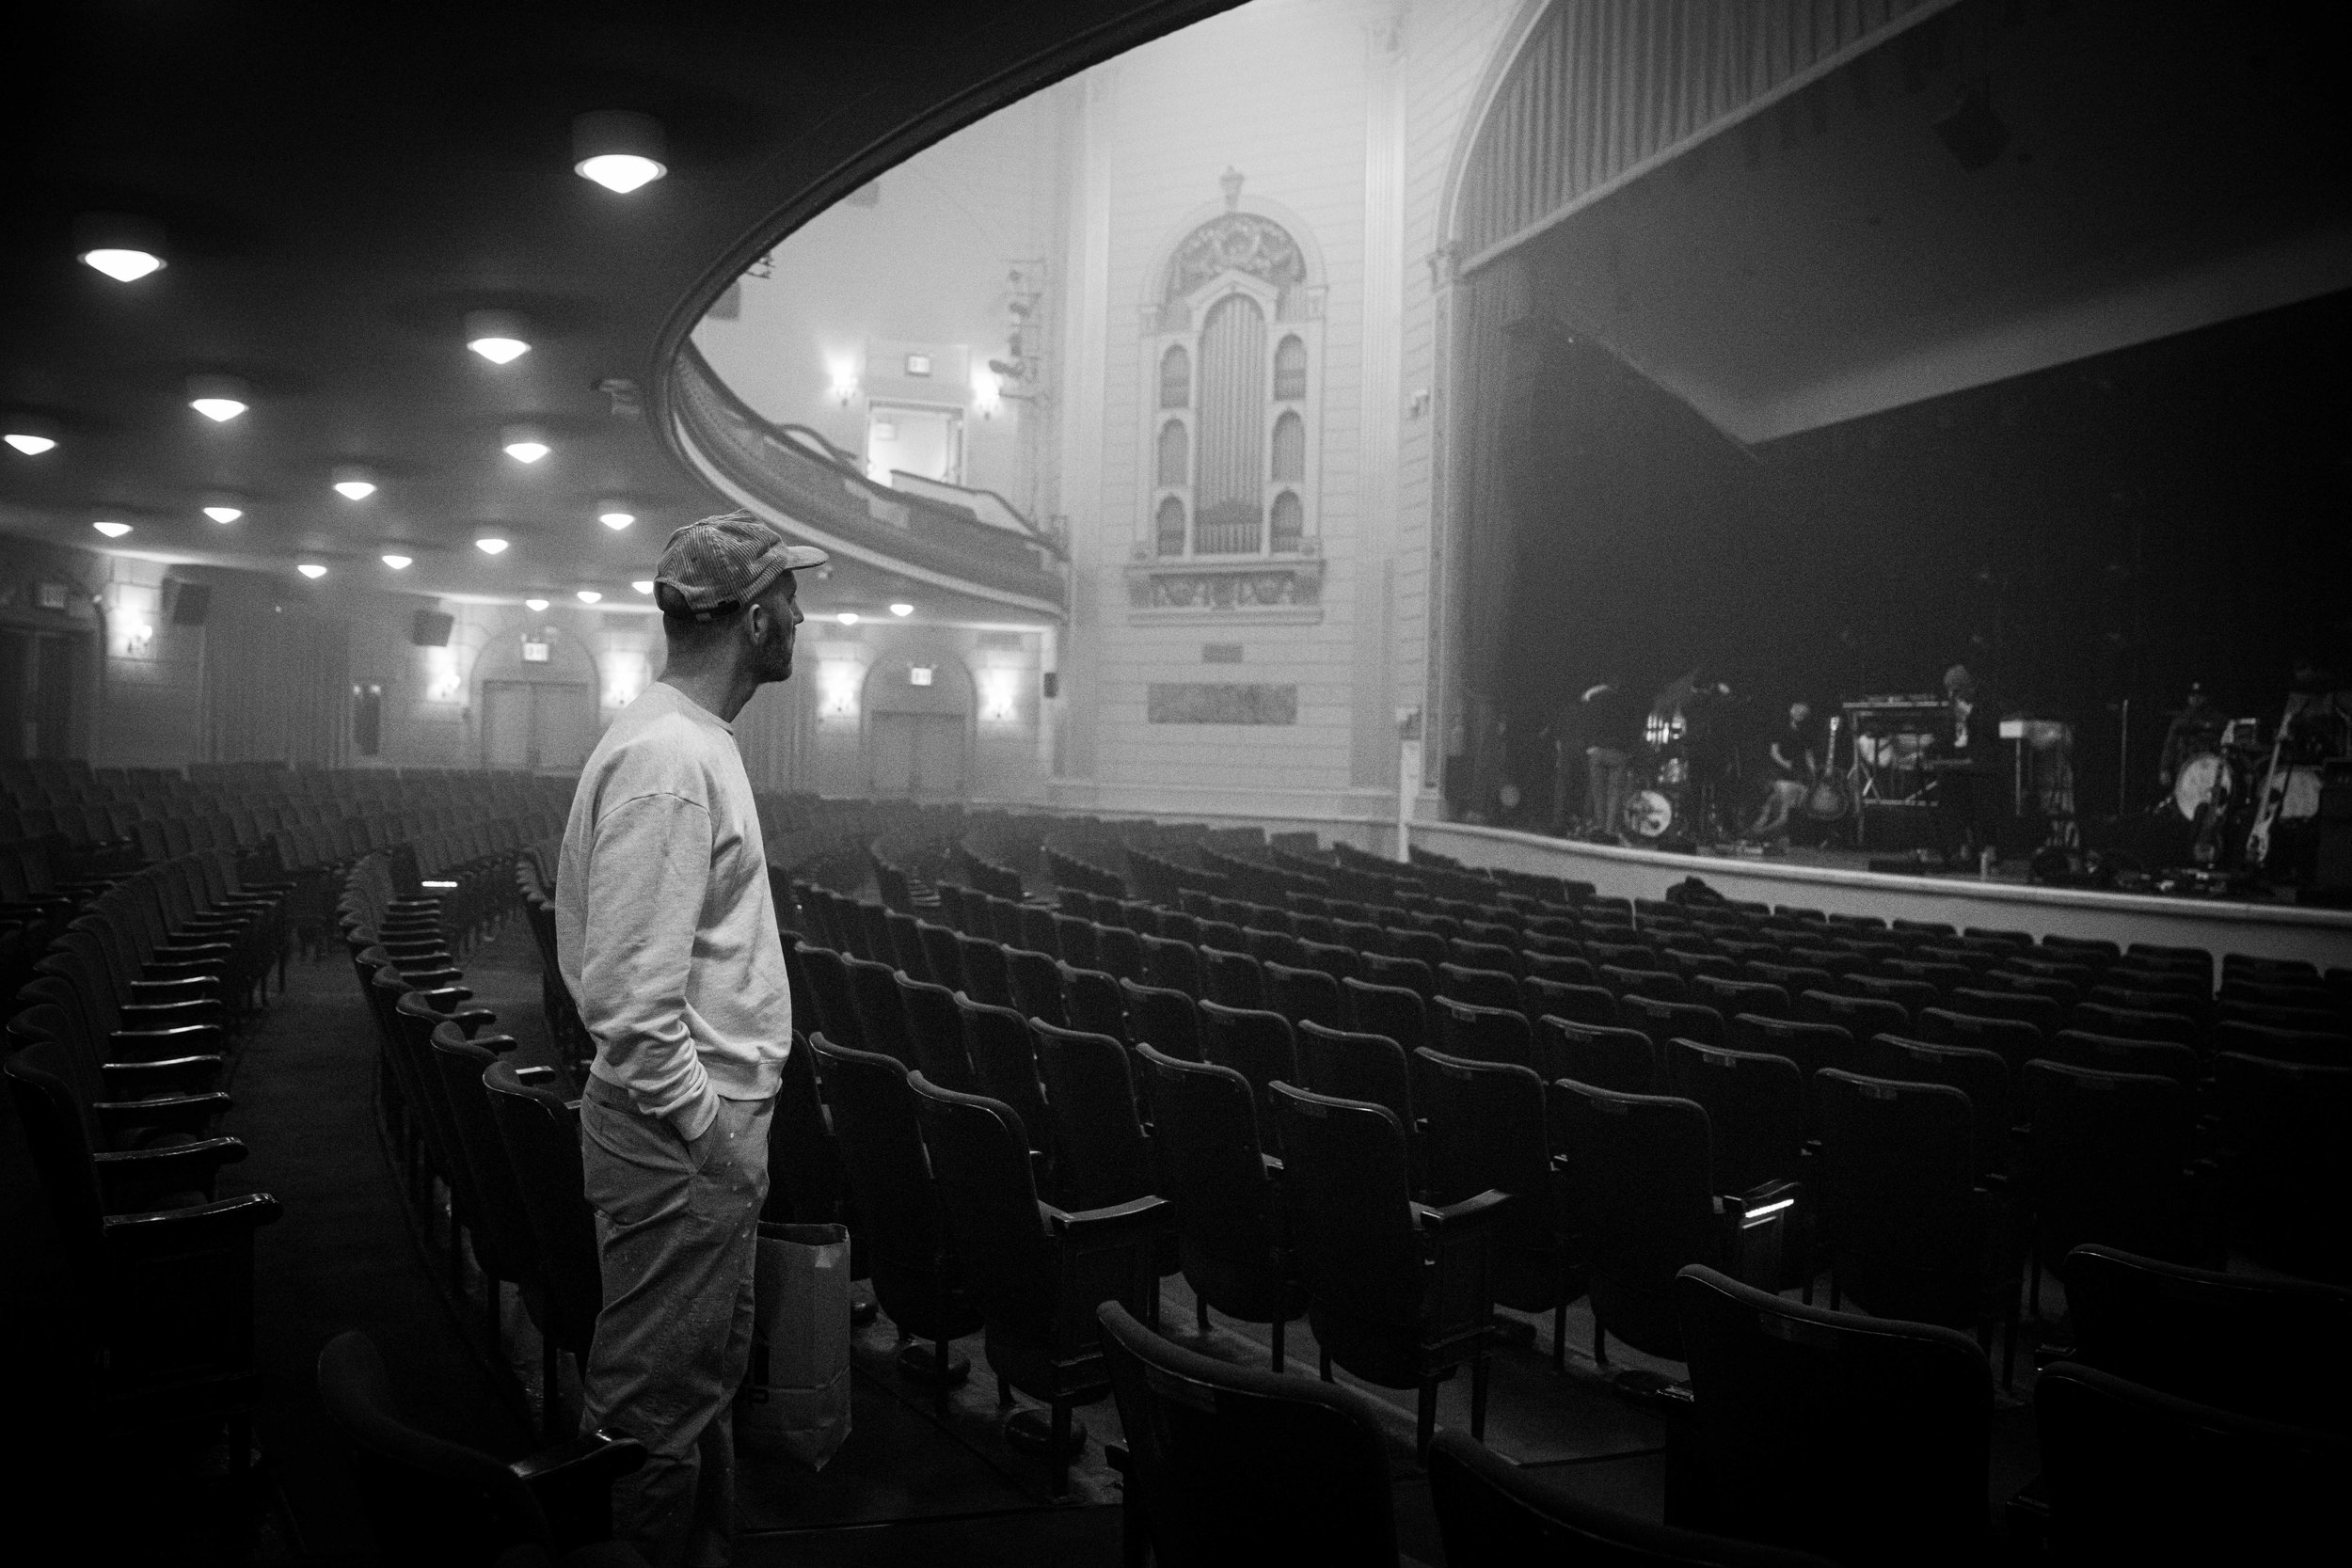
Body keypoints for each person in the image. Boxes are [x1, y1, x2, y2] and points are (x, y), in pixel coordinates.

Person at [555, 510, 825, 1567]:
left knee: (693, 1393)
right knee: (651, 1415)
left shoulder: (686, 740)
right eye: (791, 598)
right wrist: (710, 1131)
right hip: (679, 1143)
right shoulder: (670, 757)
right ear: (755, 618)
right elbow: (628, 1001)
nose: (803, 615)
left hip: (689, 1140)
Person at [1747, 701, 1820, 842]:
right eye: (1798, 711)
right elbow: (1774, 753)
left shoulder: (1806, 733)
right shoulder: (1780, 728)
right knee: (1779, 808)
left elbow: (1808, 755)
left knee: (1794, 809)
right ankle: (1758, 832)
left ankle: (1769, 834)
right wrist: (1786, 765)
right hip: (1781, 772)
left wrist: (1813, 773)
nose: (1801, 715)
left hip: (1798, 773)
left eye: (1804, 713)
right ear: (1791, 711)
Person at [1580, 679, 1642, 837]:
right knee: (1615, 793)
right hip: (1618, 752)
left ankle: (1600, 826)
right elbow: (1633, 729)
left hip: (1597, 750)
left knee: (1598, 792)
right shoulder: (1627, 704)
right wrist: (1628, 750)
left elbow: (1586, 723)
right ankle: (1610, 830)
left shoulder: (1594, 701)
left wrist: (1589, 746)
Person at [2155, 683, 2225, 799]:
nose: (2196, 699)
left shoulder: (2218, 720)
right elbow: (2170, 746)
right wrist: (2165, 769)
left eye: (2199, 695)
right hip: (2184, 770)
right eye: (2192, 695)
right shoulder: (2180, 721)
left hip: (2208, 772)